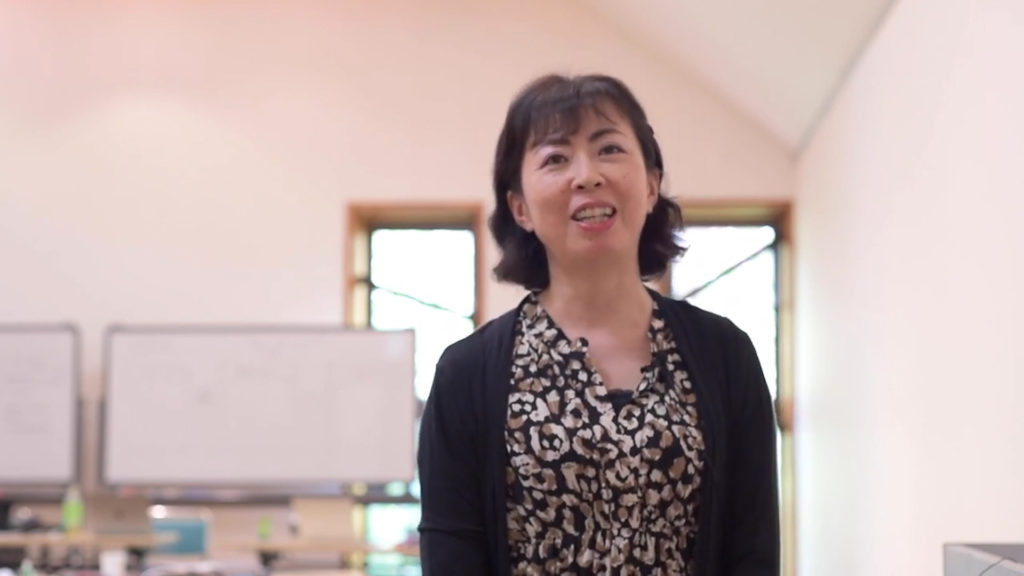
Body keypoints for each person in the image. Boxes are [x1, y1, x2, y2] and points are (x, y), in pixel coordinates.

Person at [417, 73, 779, 575]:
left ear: (651, 185)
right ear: (520, 207)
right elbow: (452, 555)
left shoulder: (725, 355)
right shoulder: (466, 373)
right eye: (555, 158)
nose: (586, 176)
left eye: (609, 149)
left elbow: (753, 550)